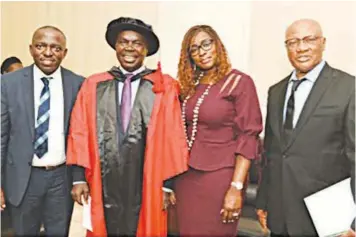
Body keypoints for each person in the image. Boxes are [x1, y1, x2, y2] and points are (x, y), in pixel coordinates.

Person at [66, 17, 188, 237]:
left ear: (146, 49)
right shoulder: (93, 85)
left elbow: (173, 136)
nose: (130, 48)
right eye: (124, 42)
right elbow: (79, 131)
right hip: (102, 178)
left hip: (147, 180)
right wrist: (78, 177)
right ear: (116, 46)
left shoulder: (163, 86)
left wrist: (167, 185)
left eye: (137, 43)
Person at [255, 19, 355, 237]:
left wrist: (354, 222)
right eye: (293, 42)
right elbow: (271, 154)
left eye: (309, 40)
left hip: (328, 218)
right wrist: (264, 200)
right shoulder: (276, 92)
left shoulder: (349, 88)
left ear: (323, 43)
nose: (301, 48)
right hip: (280, 215)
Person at [173, 25, 263, 237]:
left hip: (220, 177)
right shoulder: (189, 85)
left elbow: (249, 136)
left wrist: (236, 187)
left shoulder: (239, 82)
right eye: (194, 49)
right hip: (186, 177)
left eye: (206, 44)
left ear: (217, 45)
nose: (202, 52)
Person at [1, 25, 84, 236]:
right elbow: (1, 137)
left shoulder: (78, 84)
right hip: (21, 179)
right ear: (31, 49)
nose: (48, 53)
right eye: (41, 46)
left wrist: (79, 178)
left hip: (60, 179)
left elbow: (81, 137)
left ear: (64, 53)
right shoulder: (8, 84)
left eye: (56, 48)